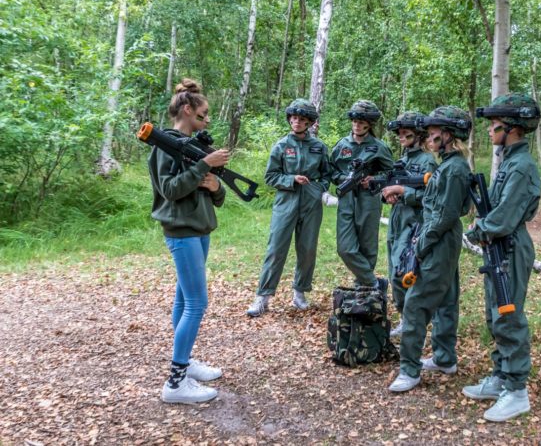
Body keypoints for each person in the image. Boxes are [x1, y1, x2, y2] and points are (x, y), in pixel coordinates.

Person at [148, 78, 229, 404]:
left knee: (184, 300)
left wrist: (213, 185)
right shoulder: (164, 146)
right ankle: (176, 382)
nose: (207, 120)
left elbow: (216, 193)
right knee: (197, 303)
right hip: (181, 232)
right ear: (186, 109)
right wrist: (202, 167)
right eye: (203, 114)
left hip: (200, 228)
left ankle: (186, 359)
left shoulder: (192, 146)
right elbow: (169, 190)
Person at [463, 93, 541, 422]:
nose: (488, 130)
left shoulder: (521, 166)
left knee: (509, 316)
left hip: (509, 245)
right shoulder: (509, 161)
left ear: (511, 128)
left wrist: (478, 229)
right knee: (496, 315)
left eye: (494, 125)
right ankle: (501, 377)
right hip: (498, 246)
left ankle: (517, 391)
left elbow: (504, 218)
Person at [388, 106, 473, 393]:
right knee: (446, 298)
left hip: (439, 239)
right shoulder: (450, 165)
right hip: (442, 238)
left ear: (448, 135)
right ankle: (444, 358)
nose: (430, 135)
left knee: (416, 303)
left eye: (436, 131)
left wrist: (421, 246)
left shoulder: (455, 169)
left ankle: (409, 371)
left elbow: (446, 214)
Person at [246, 99, 331, 316]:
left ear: (309, 122)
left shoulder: (319, 147)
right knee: (276, 248)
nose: (297, 122)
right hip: (286, 203)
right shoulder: (281, 146)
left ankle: (300, 293)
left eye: (302, 119)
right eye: (294, 118)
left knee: (307, 249)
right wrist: (291, 179)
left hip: (311, 204)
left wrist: (318, 188)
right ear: (289, 120)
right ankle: (263, 297)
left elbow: (326, 175)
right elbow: (270, 176)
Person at [381, 112, 438, 338]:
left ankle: (414, 319)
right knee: (393, 269)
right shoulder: (401, 160)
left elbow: (432, 196)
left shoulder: (428, 162)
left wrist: (405, 193)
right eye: (399, 133)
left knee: (402, 270)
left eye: (407, 133)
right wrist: (388, 196)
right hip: (396, 221)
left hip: (414, 224)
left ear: (419, 135)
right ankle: (406, 318)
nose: (401, 137)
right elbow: (388, 188)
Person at [330, 100, 394, 288]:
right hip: (347, 198)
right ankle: (373, 282)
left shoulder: (379, 147)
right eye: (355, 121)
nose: (357, 125)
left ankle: (364, 286)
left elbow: (392, 173)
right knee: (345, 248)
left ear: (370, 124)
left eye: (362, 121)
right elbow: (330, 171)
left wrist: (373, 179)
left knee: (368, 246)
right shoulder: (342, 145)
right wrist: (345, 178)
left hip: (369, 199)